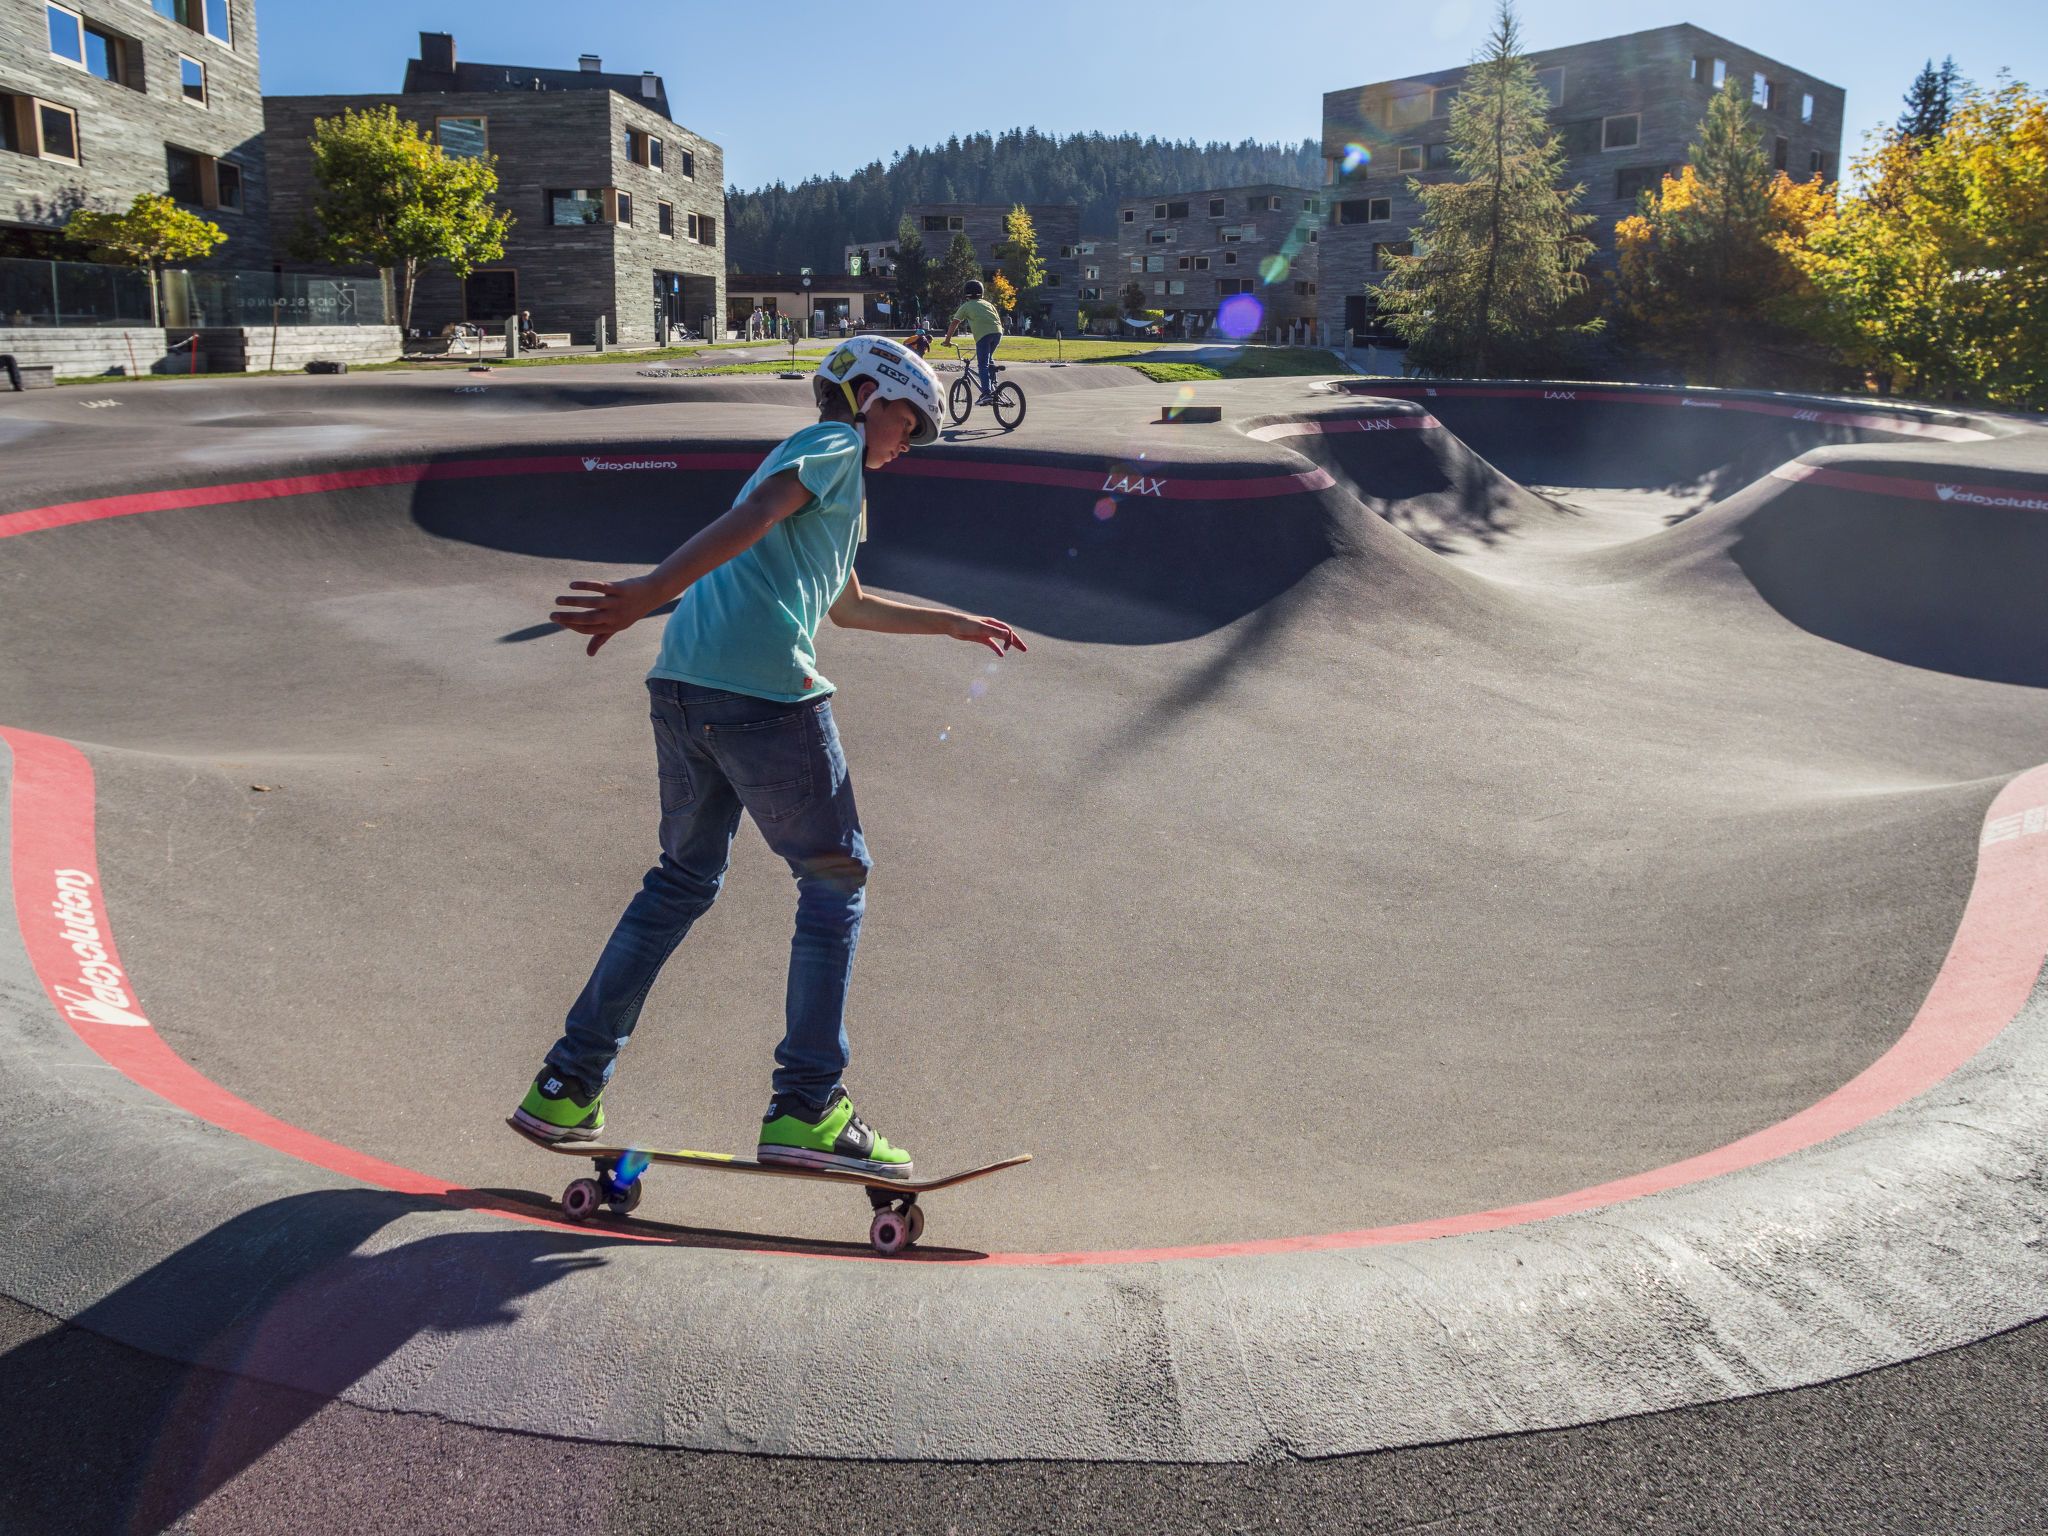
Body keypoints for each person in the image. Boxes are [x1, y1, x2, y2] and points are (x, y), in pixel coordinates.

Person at [513, 336, 1027, 1177]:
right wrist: (647, 590)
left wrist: (954, 623)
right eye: (909, 423)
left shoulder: (827, 481)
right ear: (868, 398)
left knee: (681, 882)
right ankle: (807, 1107)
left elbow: (847, 608)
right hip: (762, 696)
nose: (911, 442)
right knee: (834, 879)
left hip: (684, 687)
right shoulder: (833, 445)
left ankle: (567, 1085)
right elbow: (750, 517)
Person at [943, 279, 1004, 406]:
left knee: (982, 365)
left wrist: (947, 340)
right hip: (998, 333)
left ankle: (986, 394)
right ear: (981, 292)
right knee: (989, 359)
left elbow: (954, 323)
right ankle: (995, 387)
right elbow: (997, 319)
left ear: (966, 293)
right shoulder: (988, 304)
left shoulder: (966, 306)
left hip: (983, 335)